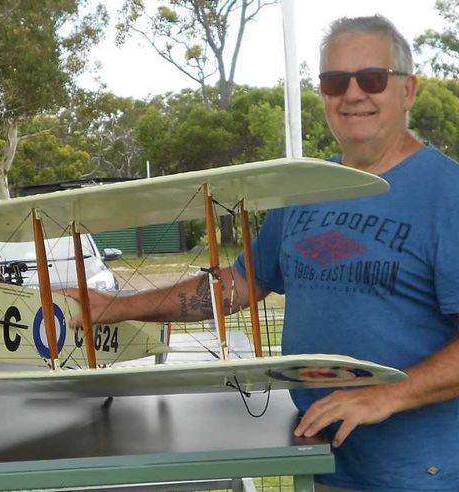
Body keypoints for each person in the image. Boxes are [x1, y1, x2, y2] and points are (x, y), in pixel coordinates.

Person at [67, 15, 459, 491]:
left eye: (371, 78)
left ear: (408, 90)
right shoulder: (308, 190)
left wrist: (385, 396)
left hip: (423, 474)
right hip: (323, 463)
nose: (352, 94)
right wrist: (116, 307)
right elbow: (237, 285)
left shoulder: (447, 194)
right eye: (335, 81)